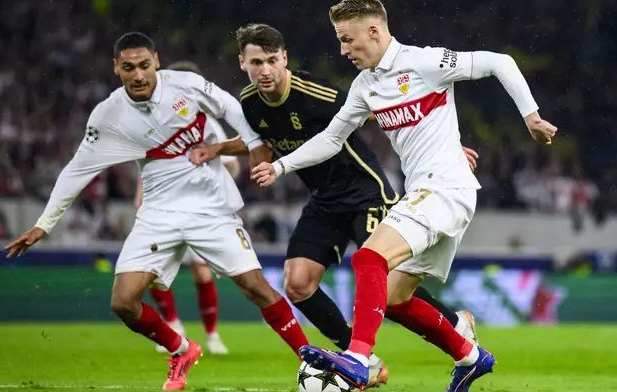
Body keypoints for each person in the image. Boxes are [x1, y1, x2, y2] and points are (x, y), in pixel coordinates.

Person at [251, 1, 557, 390]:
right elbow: (331, 139)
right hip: (430, 192)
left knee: (368, 258)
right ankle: (470, 356)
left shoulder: (425, 63)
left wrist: (530, 116)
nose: (343, 50)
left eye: (348, 40)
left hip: (446, 189)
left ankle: (357, 359)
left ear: (375, 32)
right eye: (340, 41)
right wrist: (280, 167)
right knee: (394, 298)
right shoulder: (365, 86)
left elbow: (500, 62)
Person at [5, 32, 309, 391]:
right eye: (129, 68)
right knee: (123, 302)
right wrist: (44, 224)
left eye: (145, 66)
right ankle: (182, 348)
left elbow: (228, 105)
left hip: (209, 210)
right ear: (116, 68)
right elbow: (77, 170)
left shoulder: (186, 86)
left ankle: (312, 360)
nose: (138, 75)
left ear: (157, 62)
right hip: (158, 214)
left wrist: (255, 143)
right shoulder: (108, 116)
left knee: (256, 287)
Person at [191, 23, 481, 388]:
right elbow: (258, 139)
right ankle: (361, 360)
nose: (264, 70)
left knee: (388, 279)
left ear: (284, 59)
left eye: (270, 61)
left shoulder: (314, 92)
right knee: (297, 284)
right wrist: (219, 148)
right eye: (255, 62)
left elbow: (381, 107)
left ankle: (456, 324)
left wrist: (446, 145)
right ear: (242, 63)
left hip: (364, 193)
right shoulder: (249, 102)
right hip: (324, 200)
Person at [135, 60, 237, 356]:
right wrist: (141, 193)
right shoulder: (153, 120)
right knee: (154, 271)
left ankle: (212, 335)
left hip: (198, 210)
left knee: (202, 274)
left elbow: (230, 163)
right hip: (163, 208)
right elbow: (146, 164)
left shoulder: (206, 122)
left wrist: (219, 181)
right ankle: (173, 324)